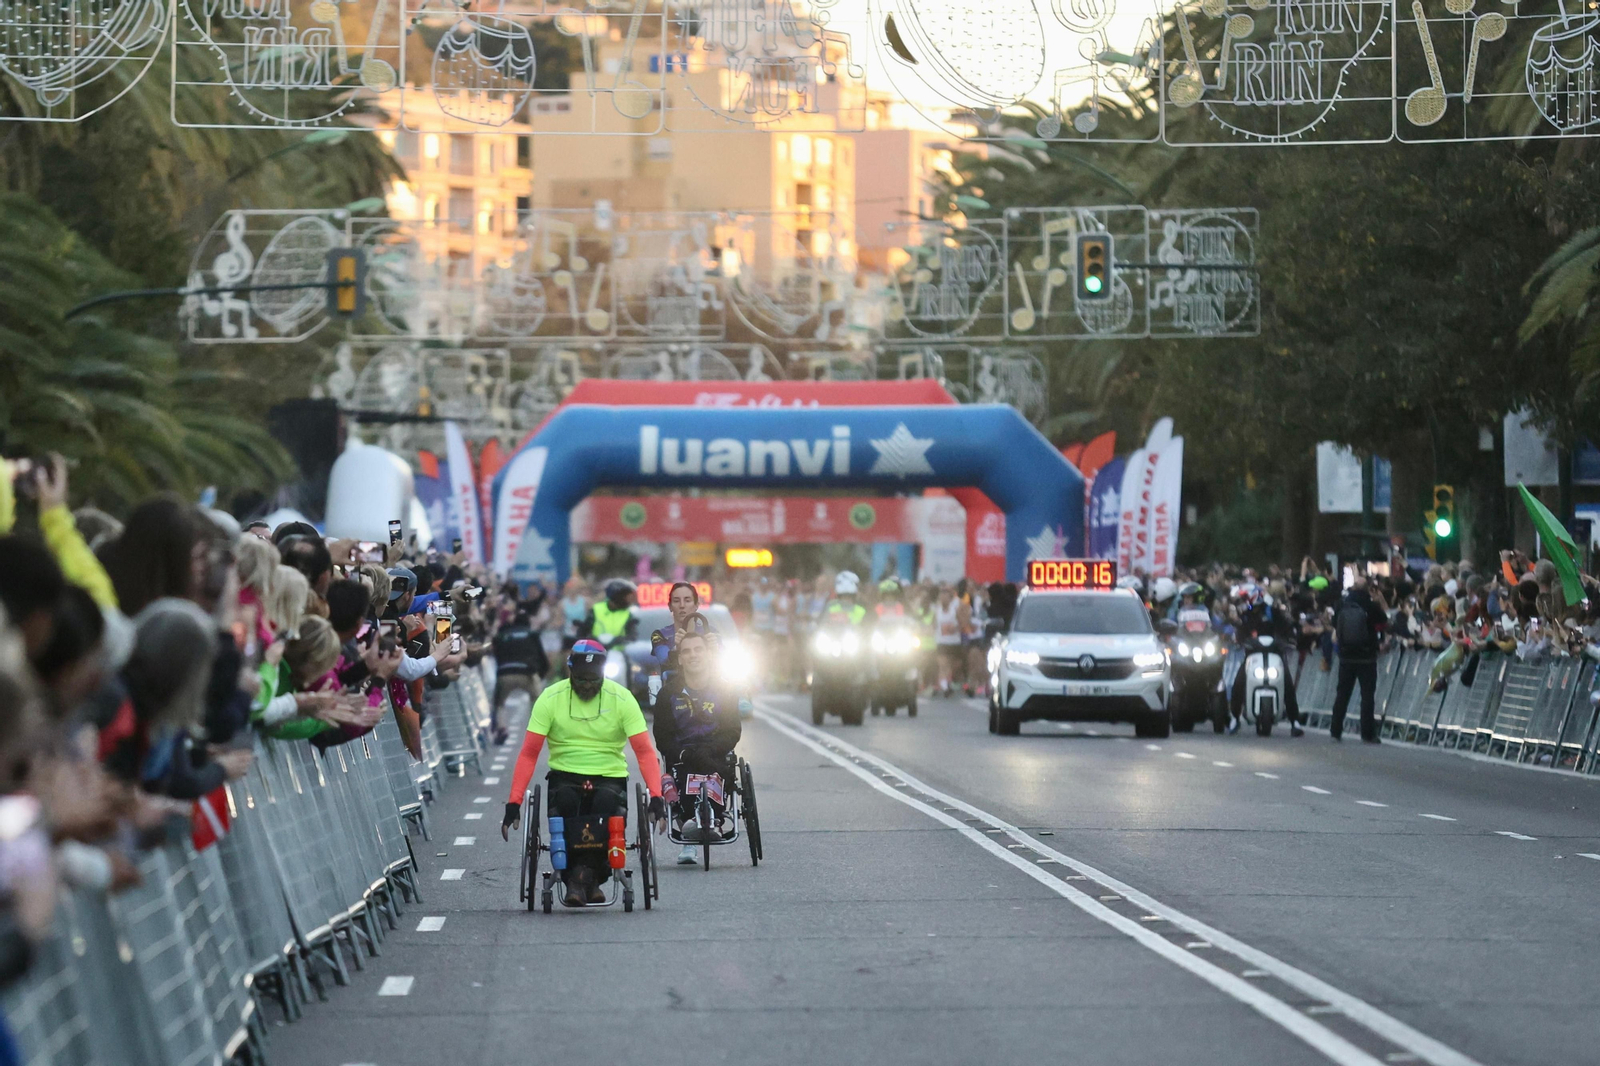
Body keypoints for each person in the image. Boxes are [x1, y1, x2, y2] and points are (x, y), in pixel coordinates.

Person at [502, 640, 666, 906]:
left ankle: (579, 879)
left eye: (594, 679)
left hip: (609, 775)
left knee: (606, 805)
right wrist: (514, 801)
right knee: (566, 803)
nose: (587, 685)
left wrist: (656, 796)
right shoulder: (550, 698)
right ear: (569, 671)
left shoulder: (622, 698)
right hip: (565, 774)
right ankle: (586, 879)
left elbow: (645, 752)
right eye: (581, 679)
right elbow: (529, 753)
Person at [652, 630, 743, 864]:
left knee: (713, 773)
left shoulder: (725, 690)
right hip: (682, 756)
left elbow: (732, 731)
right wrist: (682, 753)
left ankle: (714, 818)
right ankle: (690, 819)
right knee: (685, 776)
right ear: (680, 658)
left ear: (708, 655)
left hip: (715, 754)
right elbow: (662, 737)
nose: (693, 655)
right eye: (687, 651)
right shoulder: (668, 694)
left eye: (698, 650)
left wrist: (712, 750)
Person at [1329, 575, 1389, 743]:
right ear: (1369, 589)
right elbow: (1384, 622)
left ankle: (1335, 729)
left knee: (1342, 694)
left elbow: (1335, 624)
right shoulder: (1370, 606)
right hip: (1367, 656)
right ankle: (1367, 732)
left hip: (1346, 656)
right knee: (1367, 696)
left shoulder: (1342, 605)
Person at [491, 604, 548, 745]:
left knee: (499, 703)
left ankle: (502, 728)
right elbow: (542, 658)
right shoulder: (532, 635)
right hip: (527, 673)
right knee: (537, 701)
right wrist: (540, 676)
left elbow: (496, 653)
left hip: (505, 673)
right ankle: (537, 730)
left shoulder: (503, 635)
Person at [647, 582, 710, 706]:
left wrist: (714, 647)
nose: (682, 606)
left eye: (687, 601)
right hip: (673, 696)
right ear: (670, 606)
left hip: (709, 694)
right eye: (676, 601)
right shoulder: (660, 635)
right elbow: (664, 660)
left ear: (696, 605)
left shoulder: (710, 633)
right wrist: (677, 646)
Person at [578, 578, 637, 647]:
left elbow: (632, 637)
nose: (629, 601)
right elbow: (583, 632)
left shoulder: (627, 614)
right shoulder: (596, 610)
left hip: (617, 653)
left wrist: (617, 640)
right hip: (595, 651)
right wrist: (593, 639)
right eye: (626, 597)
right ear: (617, 597)